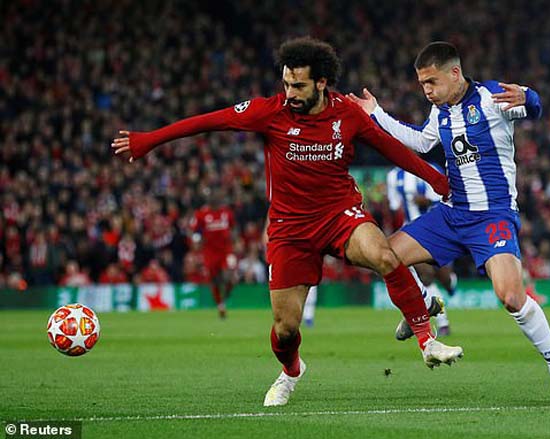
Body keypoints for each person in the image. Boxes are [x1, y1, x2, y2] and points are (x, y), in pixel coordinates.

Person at [112, 37, 463, 407]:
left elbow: (390, 147)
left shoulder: (346, 113)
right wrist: (149, 140)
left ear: (322, 83)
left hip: (339, 215)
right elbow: (209, 121)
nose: (290, 93)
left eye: (298, 86)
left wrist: (437, 181)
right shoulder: (269, 112)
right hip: (290, 229)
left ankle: (427, 341)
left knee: (384, 255)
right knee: (285, 328)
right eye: (286, 84)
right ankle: (292, 370)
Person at [349, 41, 550, 405]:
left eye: (432, 82)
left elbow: (533, 108)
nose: (427, 91)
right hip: (451, 213)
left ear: (455, 73)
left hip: (492, 216)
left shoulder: (491, 98)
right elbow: (421, 142)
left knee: (511, 297)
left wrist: (529, 96)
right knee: (382, 254)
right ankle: (423, 301)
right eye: (422, 84)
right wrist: (376, 113)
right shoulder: (440, 112)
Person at [386, 166, 457, 337]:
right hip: (411, 234)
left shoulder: (431, 169)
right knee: (426, 276)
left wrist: (427, 201)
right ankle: (443, 323)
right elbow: (394, 205)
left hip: (437, 231)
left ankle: (450, 282)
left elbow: (446, 199)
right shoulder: (394, 176)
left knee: (445, 278)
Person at [190, 188, 238, 319]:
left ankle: (224, 298)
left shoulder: (226, 213)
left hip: (226, 251)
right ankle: (220, 305)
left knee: (231, 277)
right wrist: (197, 240)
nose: (215, 200)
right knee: (214, 281)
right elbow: (195, 231)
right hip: (210, 253)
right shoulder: (201, 214)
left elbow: (233, 228)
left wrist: (236, 240)